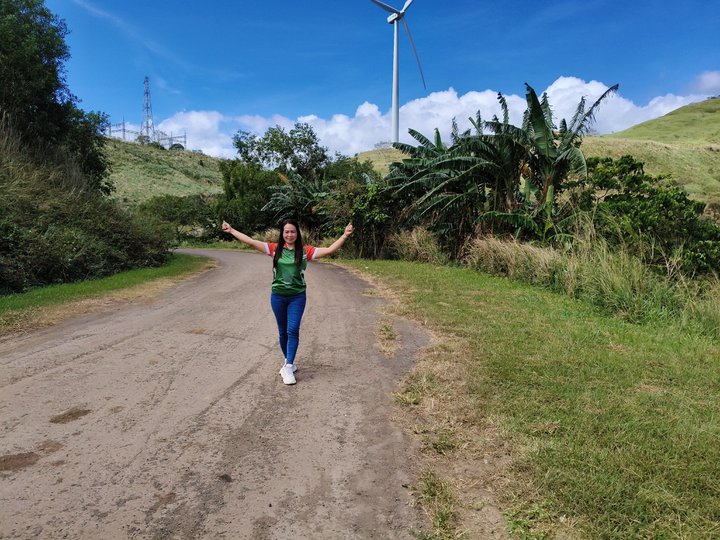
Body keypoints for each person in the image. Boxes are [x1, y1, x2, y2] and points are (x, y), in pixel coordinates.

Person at [221, 219, 354, 385]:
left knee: (293, 330)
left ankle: (289, 365)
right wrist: (231, 230)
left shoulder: (305, 251)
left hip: (297, 297)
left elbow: (329, 250)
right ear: (282, 234)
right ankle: (288, 362)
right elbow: (250, 241)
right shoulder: (275, 249)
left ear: (297, 234)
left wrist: (344, 235)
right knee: (283, 331)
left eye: (292, 232)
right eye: (286, 232)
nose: (289, 235)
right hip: (277, 296)